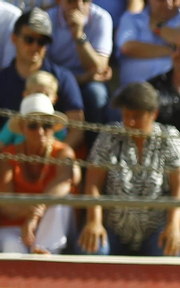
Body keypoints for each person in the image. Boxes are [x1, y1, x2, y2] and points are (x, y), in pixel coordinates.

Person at [78, 81, 180, 257]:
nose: (130, 122)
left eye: (137, 116)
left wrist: (174, 225)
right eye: (126, 115)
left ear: (153, 114)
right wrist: (94, 221)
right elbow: (93, 183)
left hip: (156, 231)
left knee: (173, 250)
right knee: (91, 247)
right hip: (112, 229)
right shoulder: (109, 135)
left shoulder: (169, 137)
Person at [0, 94, 76, 256]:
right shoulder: (8, 156)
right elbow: (6, 204)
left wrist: (33, 216)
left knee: (63, 199)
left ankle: (47, 252)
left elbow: (64, 183)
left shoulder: (63, 152)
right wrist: (34, 212)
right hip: (13, 227)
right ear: (22, 127)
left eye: (47, 125)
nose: (40, 131)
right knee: (12, 249)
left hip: (50, 227)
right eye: (33, 125)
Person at [2, 9, 87, 151]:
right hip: (10, 158)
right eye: (29, 39)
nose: (35, 46)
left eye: (42, 42)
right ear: (14, 39)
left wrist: (55, 156)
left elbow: (77, 131)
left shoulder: (63, 78)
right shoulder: (2, 79)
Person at [48, 0, 112, 128]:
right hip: (56, 79)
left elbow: (99, 68)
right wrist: (81, 78)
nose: (80, 6)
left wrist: (78, 35)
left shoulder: (101, 18)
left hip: (88, 82)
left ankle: (94, 140)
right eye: (72, 1)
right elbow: (41, 67)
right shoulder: (48, 18)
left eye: (85, 1)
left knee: (96, 94)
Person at [116, 0, 180, 86]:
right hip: (135, 90)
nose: (168, 4)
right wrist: (176, 50)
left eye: (174, 0)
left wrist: (159, 28)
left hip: (176, 90)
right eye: (161, 0)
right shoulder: (132, 19)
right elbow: (127, 47)